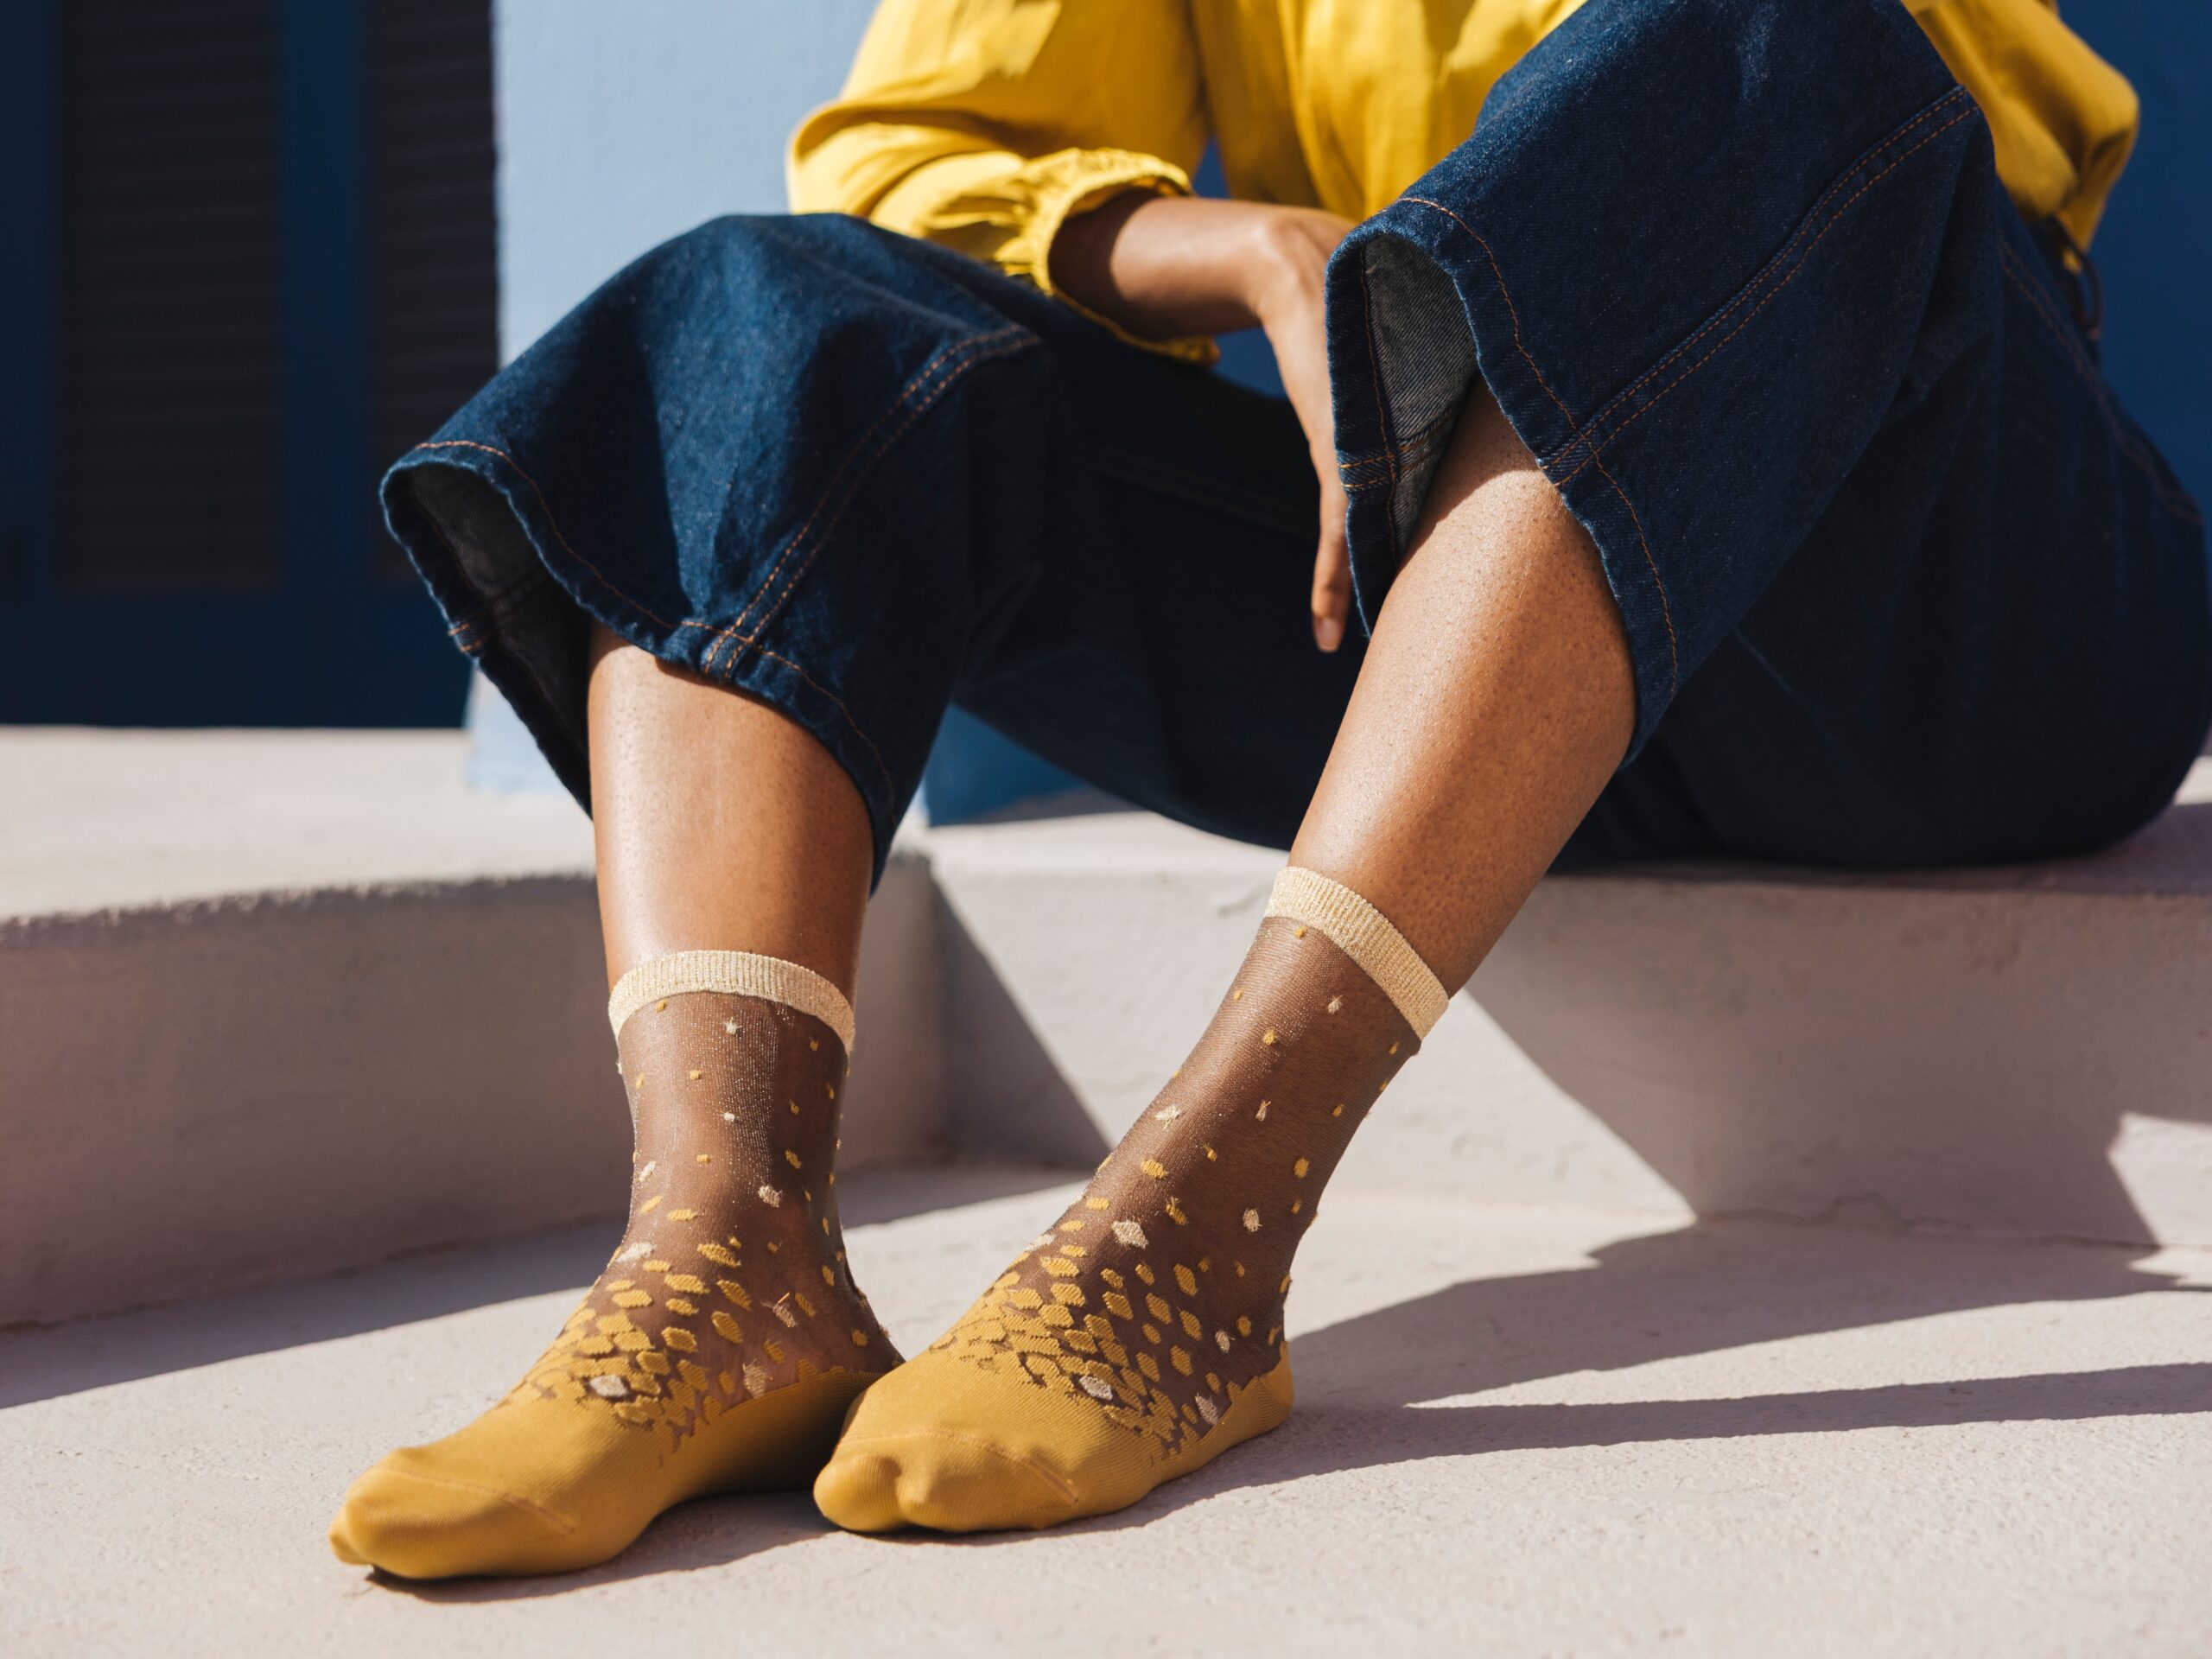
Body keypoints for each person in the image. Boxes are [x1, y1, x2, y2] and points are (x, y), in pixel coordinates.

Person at [328, 0, 2208, 1578]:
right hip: (1485, 623)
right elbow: (909, 158)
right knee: (763, 311)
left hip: (1938, 616)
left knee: (1763, 33)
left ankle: (1192, 1231)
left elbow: (1835, 105)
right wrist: (1254, 253)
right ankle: (723, 1260)